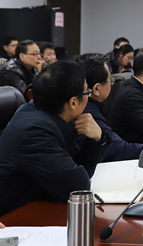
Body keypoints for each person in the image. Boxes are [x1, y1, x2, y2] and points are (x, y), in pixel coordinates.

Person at [0, 60, 111, 217]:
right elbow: (77, 188)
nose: (88, 97)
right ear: (73, 102)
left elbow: (76, 169)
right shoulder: (34, 132)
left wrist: (98, 138)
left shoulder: (41, 111)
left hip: (40, 205)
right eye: (87, 92)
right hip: (14, 218)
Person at [74, 53, 143, 162]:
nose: (111, 84)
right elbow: (119, 150)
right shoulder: (88, 113)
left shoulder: (85, 106)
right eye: (110, 80)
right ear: (96, 89)